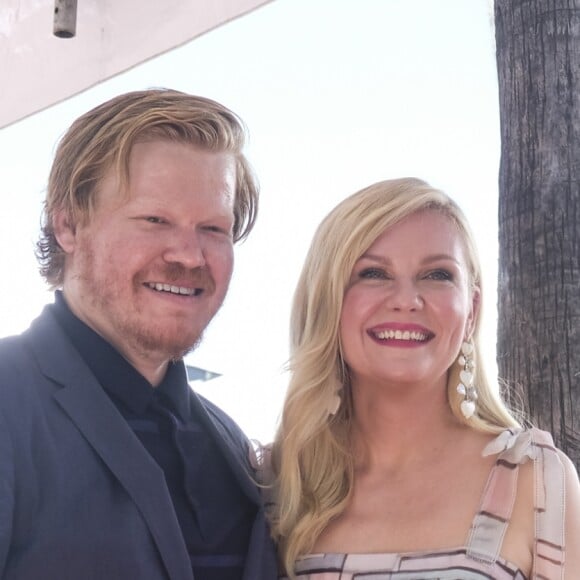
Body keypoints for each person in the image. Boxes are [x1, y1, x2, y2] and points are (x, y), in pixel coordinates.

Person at [0, 89, 277, 580]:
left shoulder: (227, 443)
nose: (189, 256)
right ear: (68, 224)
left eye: (214, 228)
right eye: (155, 220)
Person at [267, 178, 580, 579]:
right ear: (327, 299)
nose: (406, 299)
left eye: (437, 275)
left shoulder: (536, 482)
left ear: (472, 310)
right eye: (374, 273)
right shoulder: (278, 482)